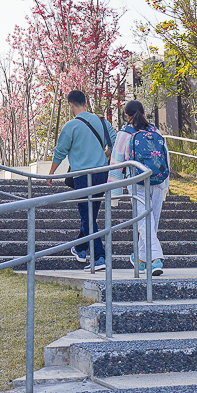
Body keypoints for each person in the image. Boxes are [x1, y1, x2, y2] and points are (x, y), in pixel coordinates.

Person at [47, 90, 115, 271]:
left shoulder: (71, 126)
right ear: (85, 102)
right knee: (90, 216)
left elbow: (60, 151)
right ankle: (80, 247)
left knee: (87, 216)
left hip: (83, 177)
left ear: (70, 105)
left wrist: (51, 173)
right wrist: (106, 154)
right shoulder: (101, 121)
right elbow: (114, 142)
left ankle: (100, 257)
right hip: (101, 174)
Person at [108, 100, 170, 276]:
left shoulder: (124, 133)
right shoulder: (154, 131)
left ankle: (156, 258)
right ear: (143, 112)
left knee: (144, 221)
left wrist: (115, 194)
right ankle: (141, 259)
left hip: (137, 182)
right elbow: (166, 159)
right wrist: (165, 184)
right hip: (157, 181)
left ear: (127, 116)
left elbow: (116, 163)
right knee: (152, 222)